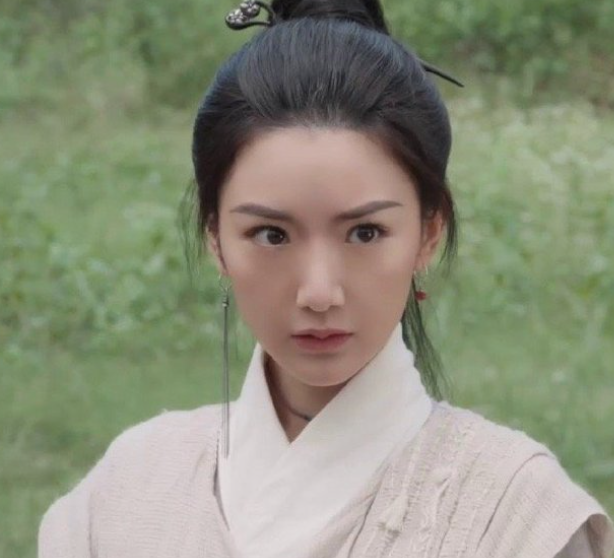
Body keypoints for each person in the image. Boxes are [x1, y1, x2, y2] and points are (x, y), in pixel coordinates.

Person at [38, 0, 614, 557]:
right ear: (215, 238)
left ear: (428, 232)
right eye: (271, 235)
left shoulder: (516, 519)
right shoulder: (126, 490)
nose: (318, 293)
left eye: (364, 233)